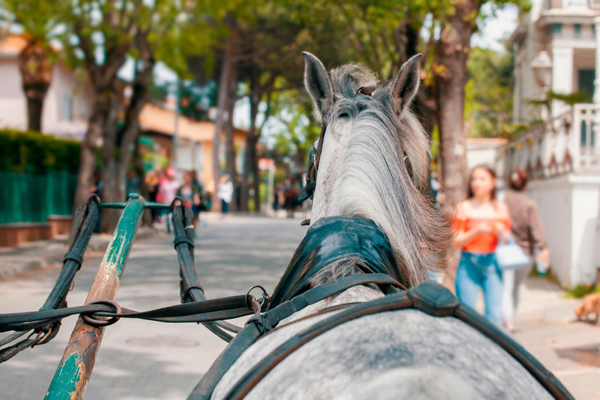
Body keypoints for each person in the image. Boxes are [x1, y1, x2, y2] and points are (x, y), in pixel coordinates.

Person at [452, 165, 511, 325]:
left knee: (493, 318)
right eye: (474, 179)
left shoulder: (501, 208)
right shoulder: (462, 207)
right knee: (467, 317)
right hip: (468, 265)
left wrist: (501, 232)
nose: (477, 183)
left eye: (482, 179)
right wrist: (477, 230)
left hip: (493, 264)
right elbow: (455, 241)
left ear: (493, 182)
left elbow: (507, 240)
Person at [502, 169, 549, 332]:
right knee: (515, 288)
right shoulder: (529, 204)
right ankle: (511, 319)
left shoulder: (502, 201)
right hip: (524, 253)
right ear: (526, 183)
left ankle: (507, 321)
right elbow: (536, 230)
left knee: (506, 287)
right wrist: (543, 248)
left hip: (504, 252)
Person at [158, 168, 180, 232]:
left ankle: (176, 227)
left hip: (175, 203)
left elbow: (178, 193)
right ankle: (168, 228)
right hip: (166, 202)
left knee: (175, 215)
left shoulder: (176, 184)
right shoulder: (164, 184)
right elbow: (161, 193)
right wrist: (161, 202)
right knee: (166, 216)